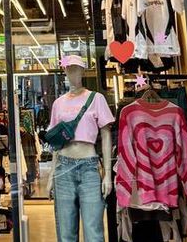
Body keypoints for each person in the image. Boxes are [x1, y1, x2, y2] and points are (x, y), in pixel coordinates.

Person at [48, 55, 114, 242]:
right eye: (69, 69)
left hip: (89, 167)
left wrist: (107, 174)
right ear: (64, 71)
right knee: (66, 233)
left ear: (83, 71)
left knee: (94, 232)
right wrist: (52, 173)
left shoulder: (96, 99)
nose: (72, 73)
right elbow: (56, 143)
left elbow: (106, 135)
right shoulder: (58, 103)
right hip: (63, 167)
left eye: (76, 69)